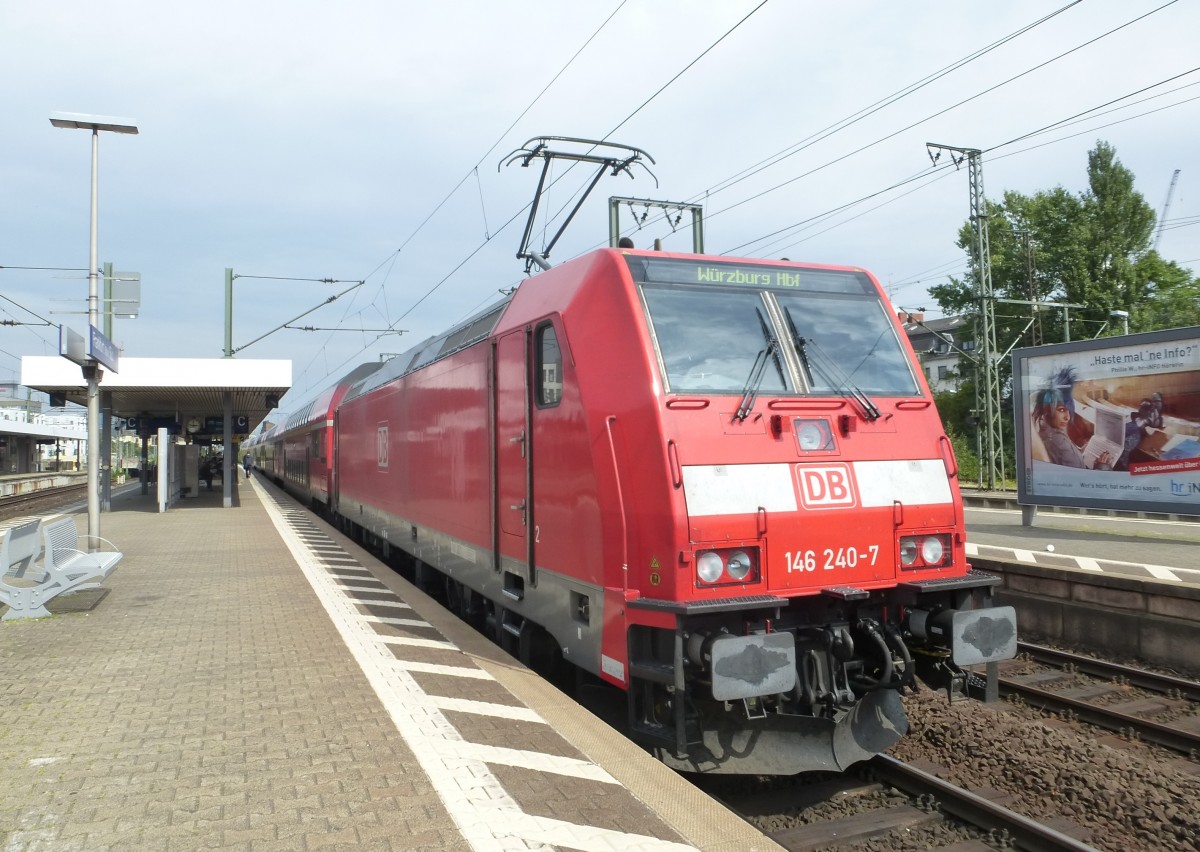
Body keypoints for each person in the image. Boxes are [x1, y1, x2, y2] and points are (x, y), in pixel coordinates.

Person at [1031, 368, 1113, 471]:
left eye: (1069, 410)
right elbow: (1081, 479)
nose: (1067, 417)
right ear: (1047, 410)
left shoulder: (1047, 431)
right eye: (1061, 410)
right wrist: (1102, 466)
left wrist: (1079, 451)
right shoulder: (1059, 442)